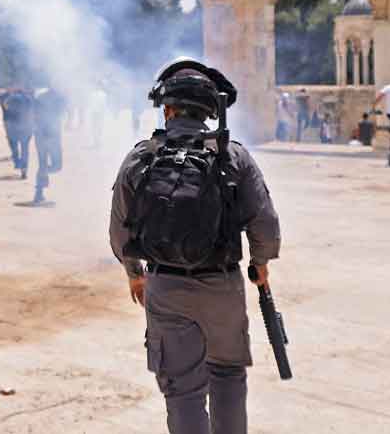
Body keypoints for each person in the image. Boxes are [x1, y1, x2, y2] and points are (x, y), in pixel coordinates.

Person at [110, 58, 281, 434]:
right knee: (228, 378)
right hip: (222, 285)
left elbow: (120, 231)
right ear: (208, 111)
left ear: (167, 108)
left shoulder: (141, 156)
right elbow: (264, 223)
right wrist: (261, 262)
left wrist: (134, 275)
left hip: (166, 287)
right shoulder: (233, 155)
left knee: (183, 391)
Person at [32, 86, 66, 204]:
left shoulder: (39, 96)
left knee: (43, 164)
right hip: (51, 136)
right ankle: (40, 188)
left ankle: (39, 189)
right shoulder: (58, 98)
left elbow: (34, 115)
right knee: (56, 165)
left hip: (41, 135)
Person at [2, 86, 35, 179]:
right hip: (26, 126)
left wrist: (10, 110)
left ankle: (17, 162)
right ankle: (24, 170)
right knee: (25, 149)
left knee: (13, 144)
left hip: (14, 126)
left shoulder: (12, 97)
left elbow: (5, 105)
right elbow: (33, 112)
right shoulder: (29, 98)